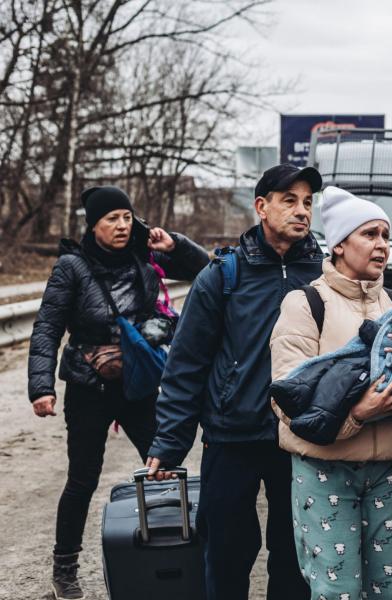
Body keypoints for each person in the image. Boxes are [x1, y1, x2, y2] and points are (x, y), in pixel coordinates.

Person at [145, 164, 324, 600]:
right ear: (261, 207)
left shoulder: (324, 274)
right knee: (226, 556)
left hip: (298, 438)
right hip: (231, 437)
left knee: (295, 558)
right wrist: (170, 442)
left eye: (307, 203)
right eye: (289, 201)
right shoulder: (223, 276)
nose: (301, 211)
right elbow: (187, 364)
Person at [27, 185, 209, 600]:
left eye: (127, 217)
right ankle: (65, 571)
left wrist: (174, 243)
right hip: (88, 387)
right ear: (93, 225)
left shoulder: (145, 254)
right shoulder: (71, 268)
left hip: (139, 382)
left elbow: (206, 269)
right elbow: (47, 327)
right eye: (113, 219)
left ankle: (175, 553)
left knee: (166, 464)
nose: (123, 226)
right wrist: (42, 386)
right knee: (82, 479)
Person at [269, 186, 392, 600]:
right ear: (338, 244)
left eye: (385, 236)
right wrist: (358, 414)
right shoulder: (305, 304)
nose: (382, 246)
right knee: (338, 589)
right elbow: (285, 397)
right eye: (369, 234)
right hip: (325, 470)